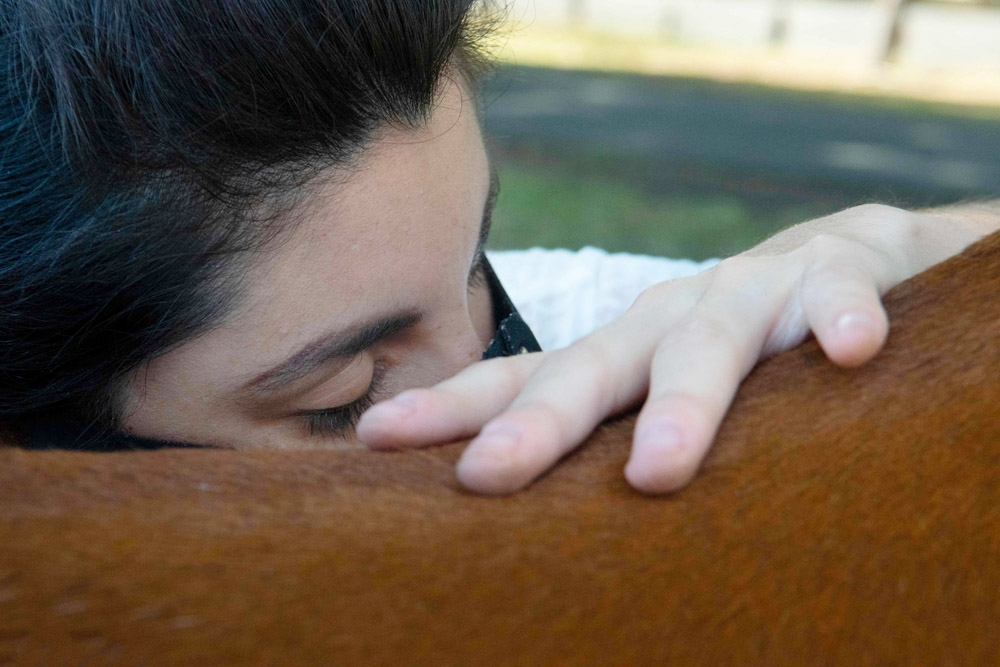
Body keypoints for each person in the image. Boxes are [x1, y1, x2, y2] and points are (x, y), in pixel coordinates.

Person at [1, 0, 997, 496]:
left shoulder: (576, 327)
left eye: (478, 260)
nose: (496, 377)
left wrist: (910, 245)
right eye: (344, 390)